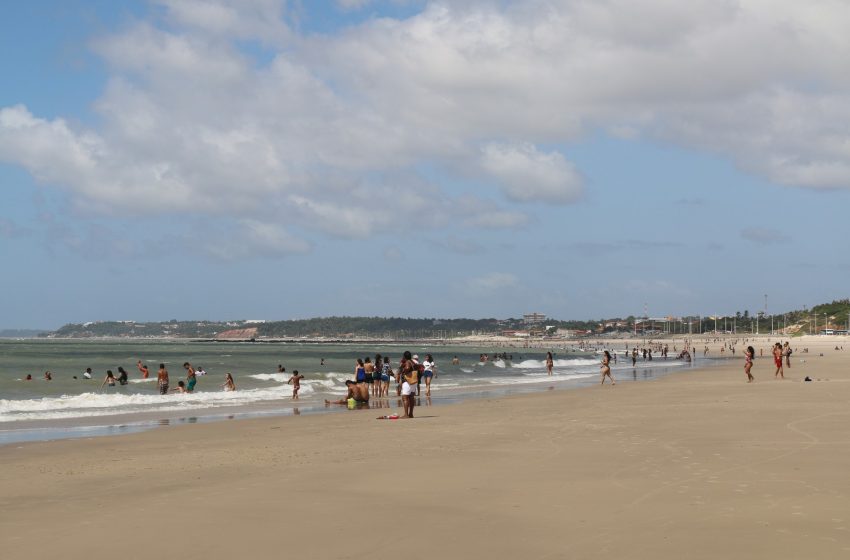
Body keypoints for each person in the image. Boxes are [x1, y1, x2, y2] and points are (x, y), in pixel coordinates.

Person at [399, 351, 418, 418]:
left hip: (408, 382)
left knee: (405, 398)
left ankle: (406, 414)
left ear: (404, 356)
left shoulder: (407, 362)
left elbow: (407, 368)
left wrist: (402, 369)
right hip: (413, 381)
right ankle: (411, 414)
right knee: (411, 397)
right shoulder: (413, 362)